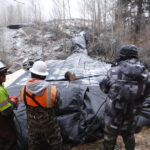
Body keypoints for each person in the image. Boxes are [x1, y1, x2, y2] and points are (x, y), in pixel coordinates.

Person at [100, 45, 150, 150]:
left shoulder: (113, 71)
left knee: (109, 140)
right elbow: (146, 94)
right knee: (129, 137)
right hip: (132, 117)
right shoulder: (146, 74)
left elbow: (104, 89)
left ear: (122, 55)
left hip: (113, 117)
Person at [20, 60, 63, 150]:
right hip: (50, 127)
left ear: (32, 73)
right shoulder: (53, 91)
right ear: (44, 75)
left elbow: (23, 102)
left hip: (33, 126)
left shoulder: (23, 90)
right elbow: (59, 105)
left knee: (34, 145)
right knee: (55, 144)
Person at [0, 61, 18, 150]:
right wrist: (13, 102)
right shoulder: (0, 90)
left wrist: (8, 100)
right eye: (3, 74)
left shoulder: (1, 88)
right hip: (4, 127)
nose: (5, 75)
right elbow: (5, 111)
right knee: (9, 144)